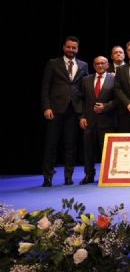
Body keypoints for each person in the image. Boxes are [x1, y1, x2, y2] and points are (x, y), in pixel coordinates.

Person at [40, 36, 89, 187]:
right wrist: (46, 107)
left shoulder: (83, 65)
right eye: (69, 47)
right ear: (64, 47)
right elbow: (45, 87)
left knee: (71, 145)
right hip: (55, 110)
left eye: (74, 48)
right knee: (51, 145)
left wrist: (83, 114)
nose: (71, 50)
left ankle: (68, 176)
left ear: (77, 49)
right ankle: (47, 177)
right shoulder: (53, 63)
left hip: (74, 111)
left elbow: (85, 90)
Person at [78, 56, 116, 185]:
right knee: (88, 150)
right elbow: (81, 100)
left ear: (107, 65)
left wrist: (105, 107)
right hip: (89, 121)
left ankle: (109, 175)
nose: (100, 66)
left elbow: (118, 100)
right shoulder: (86, 80)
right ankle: (89, 175)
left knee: (106, 150)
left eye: (102, 63)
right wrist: (82, 116)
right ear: (94, 66)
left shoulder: (114, 79)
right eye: (97, 64)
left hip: (107, 121)